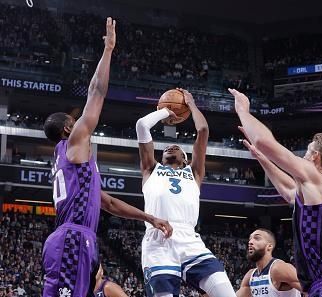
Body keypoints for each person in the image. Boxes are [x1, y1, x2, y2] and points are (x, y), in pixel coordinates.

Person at [42, 18, 172, 297]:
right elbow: (96, 92)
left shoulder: (74, 167)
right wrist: (109, 50)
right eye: (74, 121)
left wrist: (148, 217)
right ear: (68, 128)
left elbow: (109, 203)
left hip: (74, 238)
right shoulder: (74, 143)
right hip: (72, 238)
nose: (81, 124)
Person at [229, 88, 322, 296]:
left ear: (316, 157)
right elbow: (287, 190)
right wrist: (261, 158)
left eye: (308, 150)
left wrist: (243, 111)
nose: (304, 155)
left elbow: (264, 142)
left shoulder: (317, 178)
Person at [136, 88, 236, 297]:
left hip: (189, 239)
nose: (171, 147)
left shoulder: (194, 172)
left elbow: (203, 131)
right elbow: (142, 125)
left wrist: (190, 104)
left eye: (177, 148)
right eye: (166, 149)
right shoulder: (151, 169)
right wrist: (166, 111)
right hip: (158, 240)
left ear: (185, 158)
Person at [236, 229, 301, 297]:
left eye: (257, 238)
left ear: (269, 246)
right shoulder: (250, 276)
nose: (250, 242)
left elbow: (310, 289)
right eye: (250, 239)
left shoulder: (279, 268)